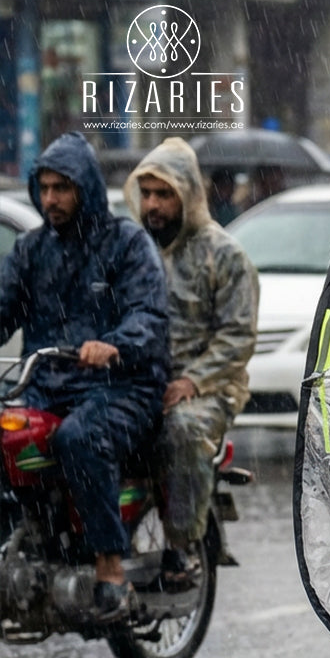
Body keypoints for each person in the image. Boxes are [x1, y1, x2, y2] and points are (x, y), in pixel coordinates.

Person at [0, 131, 170, 621]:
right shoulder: (32, 249)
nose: (51, 198)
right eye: (45, 188)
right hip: (46, 384)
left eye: (62, 188)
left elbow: (150, 316)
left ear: (85, 189)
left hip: (122, 386)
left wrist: (115, 343)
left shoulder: (127, 243)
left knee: (79, 438)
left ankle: (109, 566)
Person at [124, 138, 258, 590]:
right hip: (144, 381)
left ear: (187, 195)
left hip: (210, 388)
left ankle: (180, 549)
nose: (153, 205)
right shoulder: (134, 252)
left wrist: (192, 381)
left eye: (164, 194)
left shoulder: (225, 255)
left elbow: (237, 337)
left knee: (181, 430)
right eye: (147, 194)